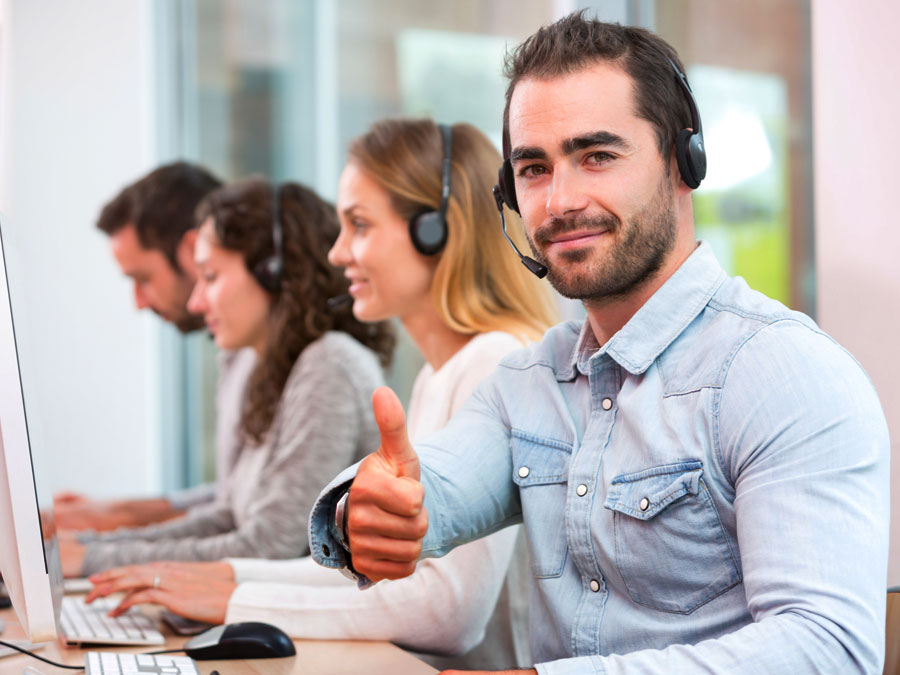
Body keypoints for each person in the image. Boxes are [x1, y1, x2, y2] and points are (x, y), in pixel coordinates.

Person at [308, 14, 890, 675]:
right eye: (533, 168)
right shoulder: (528, 383)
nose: (559, 201)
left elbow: (828, 651)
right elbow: (433, 484)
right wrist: (366, 509)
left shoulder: (782, 374)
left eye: (598, 156)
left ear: (683, 160)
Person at [86, 119, 559, 670]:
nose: (338, 253)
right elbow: (379, 575)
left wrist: (237, 600)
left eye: (359, 225)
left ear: (436, 230)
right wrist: (229, 577)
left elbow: (448, 611)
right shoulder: (439, 375)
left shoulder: (495, 361)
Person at [61, 177, 393, 577]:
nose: (196, 301)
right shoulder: (274, 369)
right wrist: (90, 548)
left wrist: (91, 560)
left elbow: (272, 545)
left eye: (211, 276)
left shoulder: (329, 364)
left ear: (273, 271)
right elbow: (227, 515)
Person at [55, 161, 241, 533]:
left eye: (143, 279)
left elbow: (257, 523)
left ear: (192, 251)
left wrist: (107, 535)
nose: (138, 302)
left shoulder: (300, 357)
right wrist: (113, 512)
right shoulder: (239, 352)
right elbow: (237, 496)